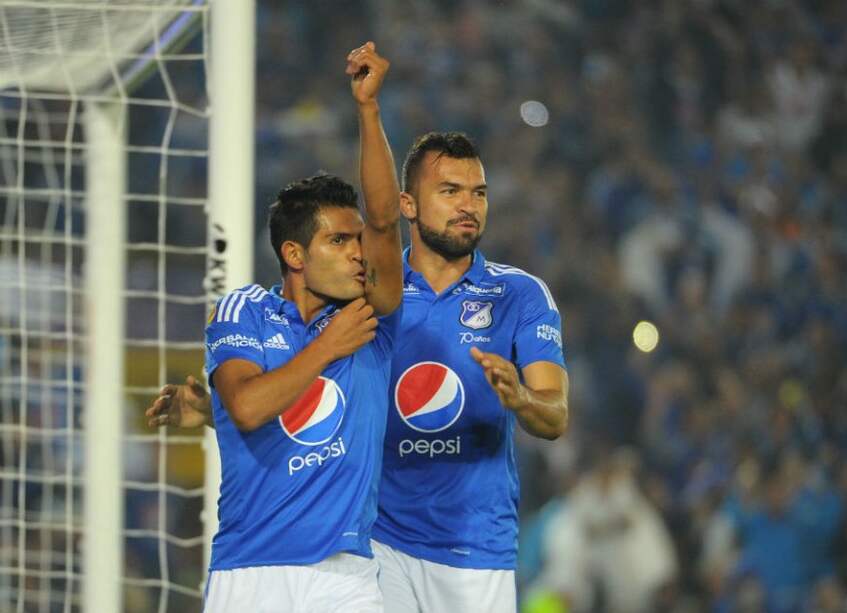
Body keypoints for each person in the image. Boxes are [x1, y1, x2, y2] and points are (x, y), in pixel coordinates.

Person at [149, 133, 570, 613]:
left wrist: (521, 399)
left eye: (479, 192)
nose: (468, 205)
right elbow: (285, 406)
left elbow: (555, 416)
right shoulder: (341, 308)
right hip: (375, 544)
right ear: (410, 202)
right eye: (450, 191)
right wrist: (221, 412)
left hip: (473, 545)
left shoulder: (506, 296)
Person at [195, 41, 402, 613]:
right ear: (294, 253)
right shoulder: (244, 312)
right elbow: (248, 406)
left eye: (356, 240)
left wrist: (368, 109)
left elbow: (385, 221)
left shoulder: (371, 319)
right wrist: (325, 349)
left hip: (346, 575)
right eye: (339, 241)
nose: (359, 253)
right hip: (251, 572)